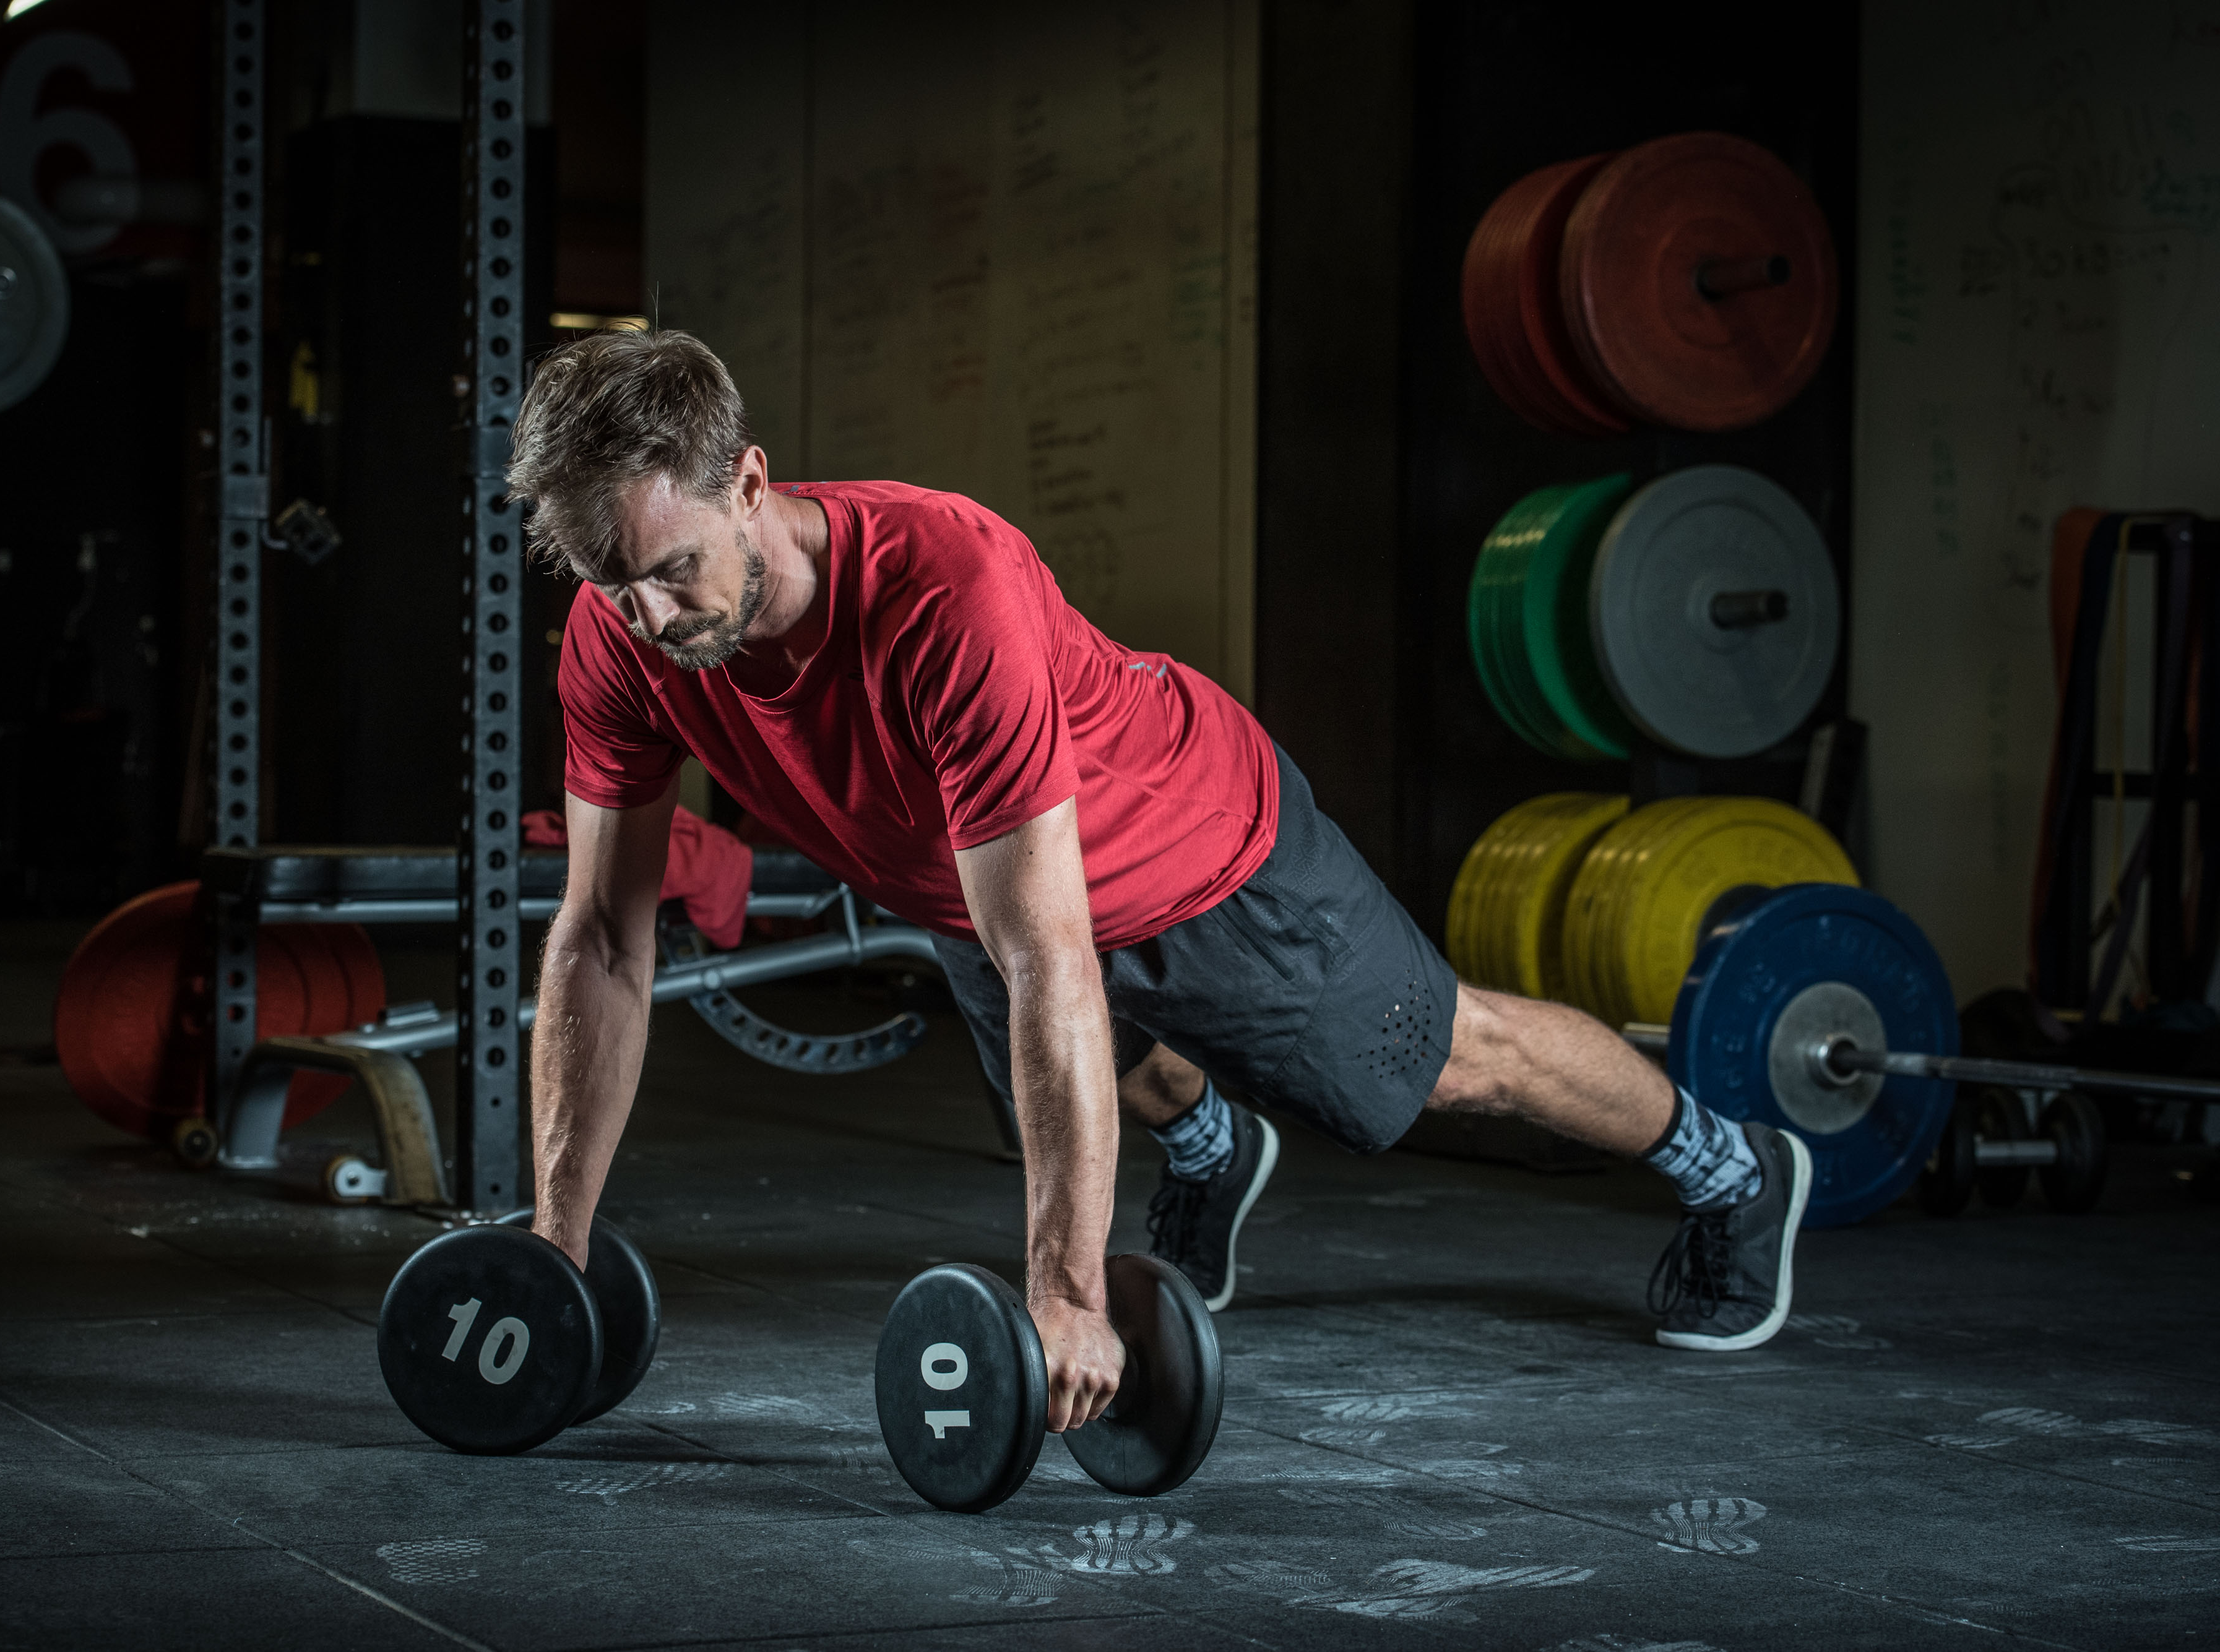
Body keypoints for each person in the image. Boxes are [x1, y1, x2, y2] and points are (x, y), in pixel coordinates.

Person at [509, 329, 1813, 1434]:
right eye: (611, 585)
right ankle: (1208, 1145)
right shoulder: (622, 635)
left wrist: (1065, 1293)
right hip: (988, 889)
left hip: (1199, 852)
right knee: (1106, 1071)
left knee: (1453, 1065)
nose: (651, 623)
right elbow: (603, 945)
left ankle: (1732, 1167)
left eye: (673, 571)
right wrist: (553, 1254)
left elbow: (1050, 959)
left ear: (746, 483)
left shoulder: (943, 590)